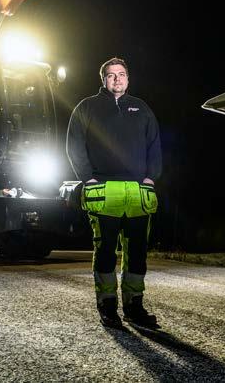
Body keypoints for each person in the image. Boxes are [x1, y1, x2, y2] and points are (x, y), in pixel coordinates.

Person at [66, 57, 162, 328]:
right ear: (103, 80)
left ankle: (134, 306)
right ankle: (108, 306)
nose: (117, 79)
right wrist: (88, 179)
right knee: (106, 249)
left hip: (137, 191)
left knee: (138, 251)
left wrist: (150, 178)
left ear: (128, 79)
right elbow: (74, 145)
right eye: (111, 75)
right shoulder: (87, 108)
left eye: (121, 75)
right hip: (103, 189)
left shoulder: (141, 108)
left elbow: (154, 143)